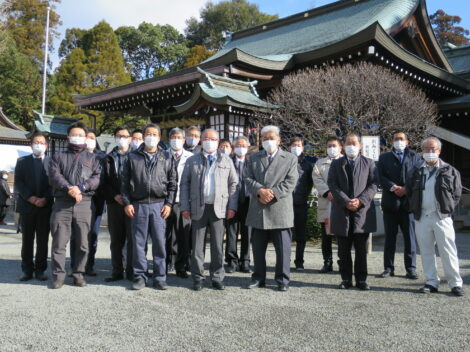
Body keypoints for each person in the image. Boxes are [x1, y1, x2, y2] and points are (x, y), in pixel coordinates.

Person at [180, 128, 238, 291]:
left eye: (212, 139)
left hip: (219, 208)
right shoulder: (192, 160)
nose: (209, 141)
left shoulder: (226, 160)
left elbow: (233, 184)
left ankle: (217, 277)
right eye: (206, 138)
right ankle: (198, 277)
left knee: (218, 246)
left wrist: (232, 206)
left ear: (218, 142)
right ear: (201, 141)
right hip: (198, 207)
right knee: (197, 246)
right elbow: (184, 184)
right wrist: (185, 206)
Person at [121, 123, 177, 291]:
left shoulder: (167, 157)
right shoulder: (132, 157)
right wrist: (127, 202)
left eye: (154, 134)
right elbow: (124, 183)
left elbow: (173, 184)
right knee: (139, 243)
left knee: (160, 243)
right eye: (148, 133)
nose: (151, 136)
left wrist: (169, 204)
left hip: (159, 205)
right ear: (143, 136)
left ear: (159, 138)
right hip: (138, 205)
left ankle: (160, 277)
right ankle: (139, 276)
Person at [407, 137, 464, 296]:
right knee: (426, 251)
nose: (430, 152)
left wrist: (448, 208)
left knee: (448, 250)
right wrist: (415, 207)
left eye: (433, 149)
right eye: (426, 149)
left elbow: (457, 193)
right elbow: (410, 191)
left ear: (439, 151)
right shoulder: (416, 170)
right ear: (422, 151)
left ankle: (455, 283)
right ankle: (431, 281)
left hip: (442, 216)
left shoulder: (450, 170)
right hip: (422, 216)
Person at [244, 125, 298, 292]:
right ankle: (258, 277)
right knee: (258, 248)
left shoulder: (289, 158)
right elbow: (247, 177)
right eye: (265, 138)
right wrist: (260, 190)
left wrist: (273, 193)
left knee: (283, 249)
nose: (268, 141)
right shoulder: (253, 158)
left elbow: (291, 181)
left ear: (279, 140)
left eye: (271, 138)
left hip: (280, 208)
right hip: (259, 208)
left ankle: (282, 279)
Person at [49, 122, 102, 289]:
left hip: (84, 203)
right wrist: (68, 188)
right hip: (62, 203)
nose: (77, 137)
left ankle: (78, 274)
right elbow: (54, 175)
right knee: (59, 241)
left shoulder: (93, 159)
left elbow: (96, 179)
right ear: (68, 137)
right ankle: (59, 275)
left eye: (80, 135)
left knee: (83, 243)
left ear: (86, 138)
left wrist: (80, 188)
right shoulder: (57, 156)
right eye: (74, 134)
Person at [327, 133, 377, 291]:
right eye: (348, 143)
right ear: (344, 146)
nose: (351, 146)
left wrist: (360, 200)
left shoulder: (369, 163)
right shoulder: (336, 164)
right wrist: (345, 200)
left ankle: (361, 279)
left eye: (354, 143)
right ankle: (346, 279)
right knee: (343, 250)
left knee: (361, 250)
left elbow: (374, 184)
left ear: (360, 146)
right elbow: (332, 184)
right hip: (342, 210)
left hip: (362, 212)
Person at [377, 131, 421, 279]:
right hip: (390, 203)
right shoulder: (384, 158)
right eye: (396, 139)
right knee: (390, 238)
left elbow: (419, 177)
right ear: (392, 141)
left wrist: (406, 189)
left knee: (410, 238)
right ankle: (388, 268)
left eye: (401, 139)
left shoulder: (416, 157)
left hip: (408, 205)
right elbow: (379, 176)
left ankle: (411, 268)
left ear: (407, 142)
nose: (399, 141)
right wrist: (393, 187)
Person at [14, 132, 53, 281]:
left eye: (42, 142)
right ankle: (26, 270)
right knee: (27, 240)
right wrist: (31, 198)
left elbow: (54, 183)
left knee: (43, 240)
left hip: (45, 206)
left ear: (46, 145)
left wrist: (45, 198)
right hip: (27, 206)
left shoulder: (52, 162)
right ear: (31, 145)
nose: (39, 145)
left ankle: (40, 270)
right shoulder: (22, 161)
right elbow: (18, 183)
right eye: (36, 142)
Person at [70, 129, 106, 276]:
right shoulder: (76, 155)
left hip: (96, 202)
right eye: (88, 137)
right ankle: (74, 265)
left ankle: (88, 265)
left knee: (93, 235)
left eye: (93, 137)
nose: (90, 140)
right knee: (76, 236)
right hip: (78, 200)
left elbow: (104, 179)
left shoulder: (102, 157)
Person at [103, 126, 134, 282]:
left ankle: (131, 271)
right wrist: (114, 196)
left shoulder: (136, 156)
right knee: (116, 239)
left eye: (125, 135)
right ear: (115, 137)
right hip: (114, 203)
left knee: (132, 239)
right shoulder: (108, 158)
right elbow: (103, 182)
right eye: (118, 135)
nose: (122, 138)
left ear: (130, 138)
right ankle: (117, 270)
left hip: (132, 204)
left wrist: (130, 198)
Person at [165, 127, 193, 278]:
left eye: (179, 137)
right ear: (169, 140)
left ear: (184, 140)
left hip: (183, 202)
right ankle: (165, 263)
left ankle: (181, 266)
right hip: (165, 202)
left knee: (183, 235)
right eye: (173, 137)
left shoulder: (191, 157)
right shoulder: (162, 155)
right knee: (165, 235)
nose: (176, 140)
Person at [312, 136, 343, 273]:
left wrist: (339, 194)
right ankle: (327, 262)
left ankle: (343, 262)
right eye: (329, 146)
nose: (331, 148)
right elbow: (317, 178)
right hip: (326, 202)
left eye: (334, 145)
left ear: (340, 147)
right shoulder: (320, 163)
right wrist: (327, 192)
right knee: (326, 235)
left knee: (343, 235)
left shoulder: (345, 160)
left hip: (342, 202)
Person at [224, 136, 252, 273]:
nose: (241, 147)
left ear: (247, 147)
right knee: (231, 233)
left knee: (248, 233)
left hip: (248, 202)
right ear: (234, 148)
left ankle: (245, 261)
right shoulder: (228, 162)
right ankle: (231, 261)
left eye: (243, 145)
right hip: (231, 202)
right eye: (238, 145)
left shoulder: (252, 162)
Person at [289, 137, 313, 271]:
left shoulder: (308, 165)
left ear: (303, 148)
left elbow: (310, 183)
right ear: (289, 147)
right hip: (285, 204)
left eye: (298, 145)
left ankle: (299, 262)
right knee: (285, 234)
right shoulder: (284, 161)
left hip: (301, 203)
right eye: (293, 145)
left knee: (301, 235)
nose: (296, 147)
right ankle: (284, 260)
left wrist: (304, 194)